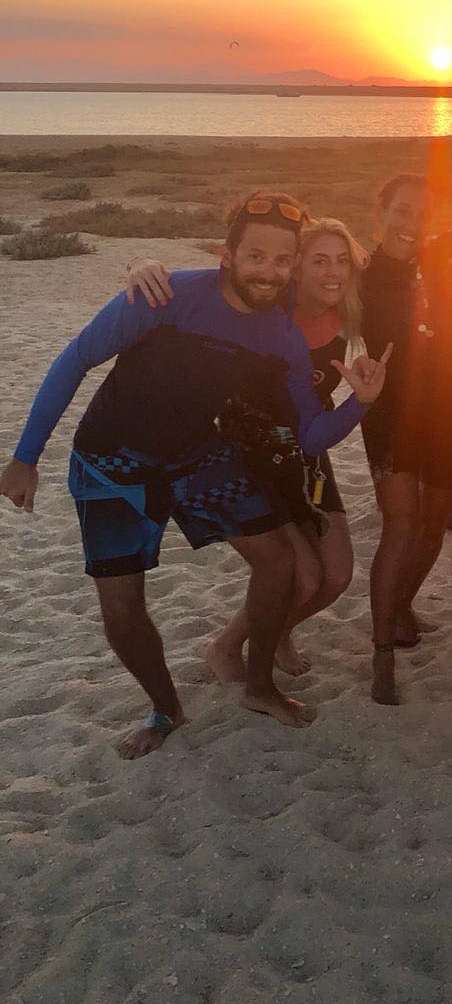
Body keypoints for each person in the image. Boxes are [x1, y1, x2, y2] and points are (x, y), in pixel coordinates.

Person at [0, 192, 390, 758]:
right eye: (255, 256)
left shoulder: (279, 335)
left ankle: (259, 686)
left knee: (278, 562)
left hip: (195, 456)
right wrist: (25, 458)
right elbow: (76, 358)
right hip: (111, 463)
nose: (269, 272)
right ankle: (165, 709)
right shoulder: (166, 295)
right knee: (122, 609)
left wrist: (362, 403)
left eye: (282, 261)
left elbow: (311, 435)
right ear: (227, 255)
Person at [124, 217, 370, 682]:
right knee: (305, 576)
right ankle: (226, 646)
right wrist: (141, 262)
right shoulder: (268, 304)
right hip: (246, 455)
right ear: (296, 267)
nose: (331, 271)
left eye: (341, 261)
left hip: (307, 456)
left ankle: (272, 632)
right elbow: (207, 282)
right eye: (318, 260)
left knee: (335, 577)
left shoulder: (351, 312)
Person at [359, 171, 452, 706]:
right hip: (390, 414)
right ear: (382, 212)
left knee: (437, 519)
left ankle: (401, 605)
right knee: (400, 525)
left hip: (442, 412)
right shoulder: (360, 274)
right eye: (402, 210)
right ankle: (382, 654)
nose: (412, 222)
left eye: (424, 213)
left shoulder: (445, 266)